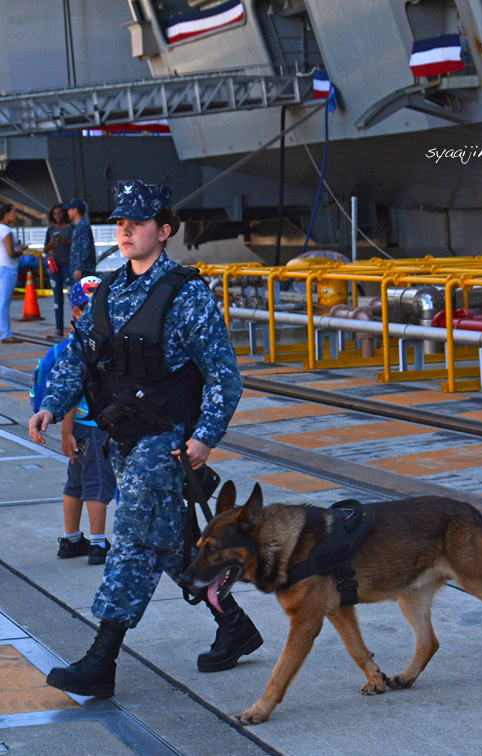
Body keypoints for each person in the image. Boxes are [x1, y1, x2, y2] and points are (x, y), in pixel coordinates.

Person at [29, 180, 262, 699]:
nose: (126, 229)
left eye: (138, 221)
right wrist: (52, 404)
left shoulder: (186, 294)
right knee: (168, 546)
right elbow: (76, 358)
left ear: (164, 230)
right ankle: (235, 627)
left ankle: (101, 661)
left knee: (132, 543)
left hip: (167, 443)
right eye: (120, 222)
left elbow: (225, 375)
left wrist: (204, 438)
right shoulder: (108, 289)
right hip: (122, 442)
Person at [57, 276, 115, 565]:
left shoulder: (75, 341)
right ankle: (98, 543)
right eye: (88, 307)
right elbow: (71, 393)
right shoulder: (88, 345)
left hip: (78, 428)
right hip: (91, 428)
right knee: (98, 484)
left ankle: (70, 539)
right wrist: (66, 432)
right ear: (77, 312)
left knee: (76, 483)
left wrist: (68, 433)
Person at [44, 204, 74, 339]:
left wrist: (65, 241)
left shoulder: (72, 229)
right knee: (57, 298)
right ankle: (59, 328)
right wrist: (50, 245)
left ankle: (76, 326)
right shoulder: (50, 230)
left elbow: (77, 245)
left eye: (60, 214)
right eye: (55, 214)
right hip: (54, 266)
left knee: (72, 296)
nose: (58, 217)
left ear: (65, 214)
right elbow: (44, 250)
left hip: (68, 265)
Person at [0, 203, 25, 344]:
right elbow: (11, 253)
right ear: (6, 213)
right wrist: (21, 250)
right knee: (4, 303)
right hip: (8, 269)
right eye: (14, 212)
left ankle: (4, 332)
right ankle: (6, 334)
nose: (15, 215)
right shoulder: (6, 230)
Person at [65, 199, 96, 283]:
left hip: (83, 271)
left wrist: (79, 268)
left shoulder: (82, 227)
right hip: (82, 270)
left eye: (69, 210)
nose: (68, 212)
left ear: (75, 210)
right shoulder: (80, 226)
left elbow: (84, 249)